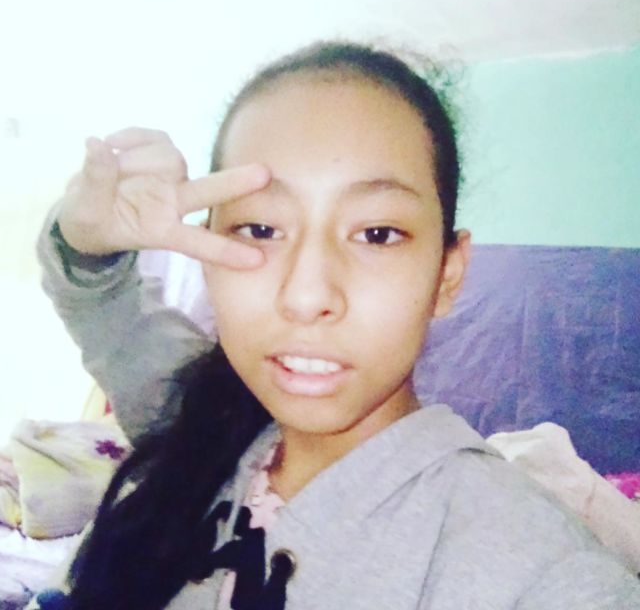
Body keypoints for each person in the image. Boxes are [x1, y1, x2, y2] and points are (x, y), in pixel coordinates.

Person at [33, 42, 639, 610]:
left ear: (447, 275)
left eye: (377, 234)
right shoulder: (200, 413)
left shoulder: (525, 561)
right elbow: (100, 301)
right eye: (261, 229)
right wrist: (85, 240)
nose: (307, 296)